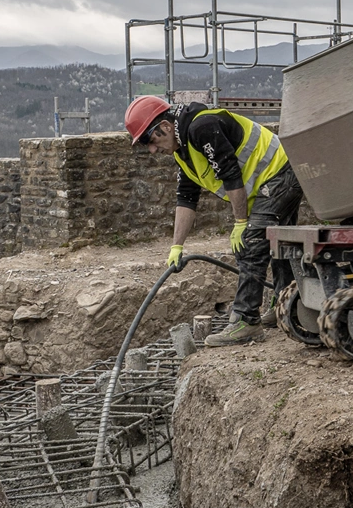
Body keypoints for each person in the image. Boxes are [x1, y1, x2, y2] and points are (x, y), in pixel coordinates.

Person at [124, 95, 303, 346]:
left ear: (165, 126)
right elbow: (187, 197)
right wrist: (177, 245)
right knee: (278, 241)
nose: (152, 150)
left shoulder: (202, 127)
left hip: (281, 172)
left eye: (150, 140)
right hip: (271, 178)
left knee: (250, 243)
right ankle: (287, 303)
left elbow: (230, 174)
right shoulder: (182, 150)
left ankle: (246, 321)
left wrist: (240, 223)